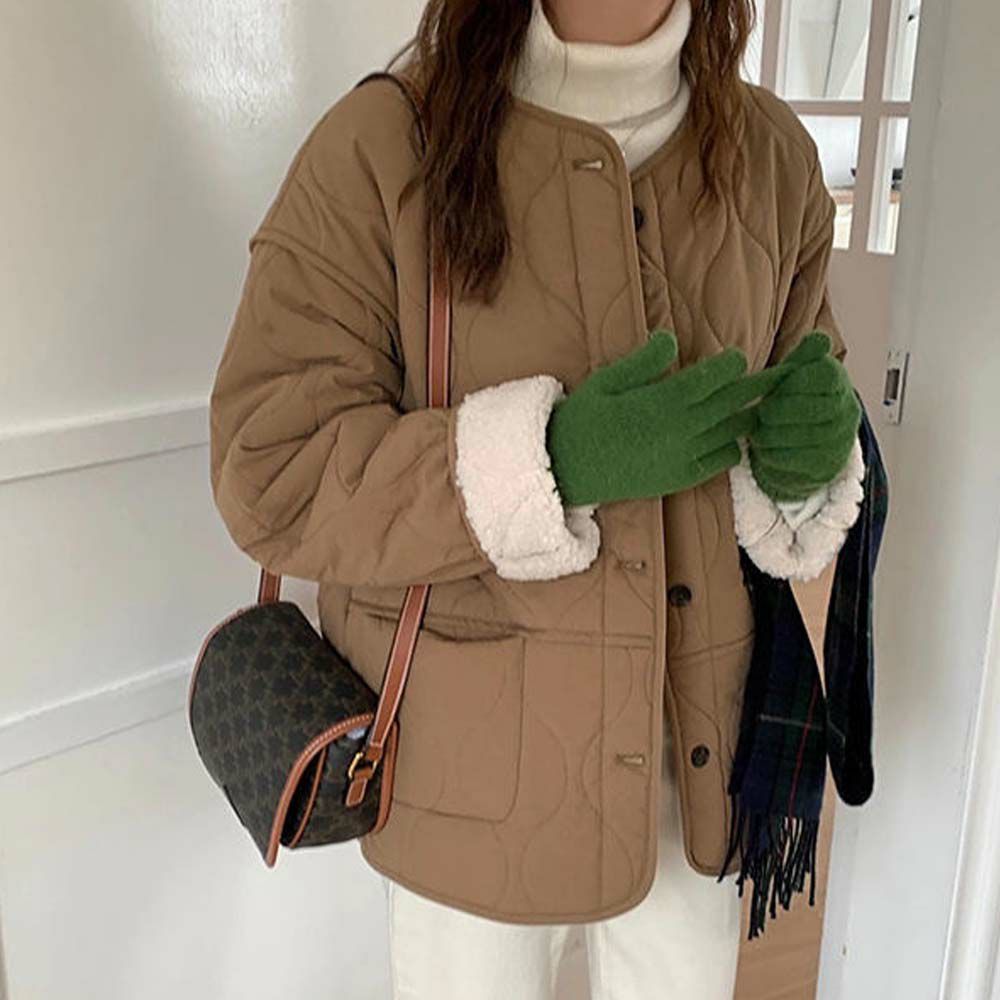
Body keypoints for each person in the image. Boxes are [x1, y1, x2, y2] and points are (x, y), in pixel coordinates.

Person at [208, 0, 873, 996]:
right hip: (464, 778)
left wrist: (806, 462)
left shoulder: (770, 158)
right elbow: (272, 468)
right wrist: (549, 460)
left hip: (696, 769)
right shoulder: (385, 146)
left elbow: (798, 391)